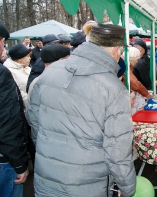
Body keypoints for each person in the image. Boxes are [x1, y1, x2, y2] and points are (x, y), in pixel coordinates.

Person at [31, 23, 136, 197]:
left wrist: (48, 148)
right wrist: (127, 188)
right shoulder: (114, 88)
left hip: (46, 175)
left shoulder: (49, 72)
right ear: (116, 49)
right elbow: (117, 150)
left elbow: (34, 121)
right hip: (87, 184)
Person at [0, 22, 29, 197]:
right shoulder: (2, 73)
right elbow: (7, 122)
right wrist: (19, 163)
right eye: (3, 42)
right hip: (4, 160)